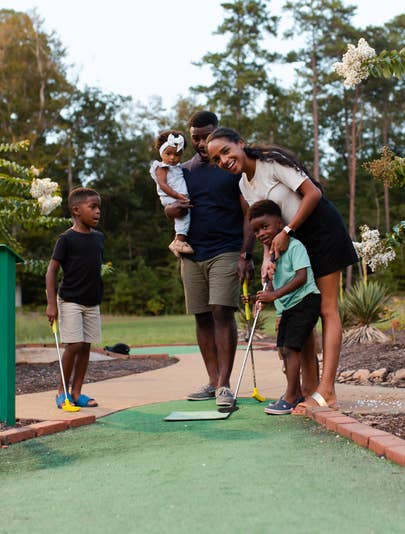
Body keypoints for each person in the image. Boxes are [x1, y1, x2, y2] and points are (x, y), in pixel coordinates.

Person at [207, 127, 358, 412]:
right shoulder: (243, 185)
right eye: (216, 159)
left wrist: (287, 230)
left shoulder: (271, 162)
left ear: (240, 143)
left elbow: (313, 193)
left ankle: (328, 392)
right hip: (293, 242)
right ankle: (309, 389)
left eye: (226, 151)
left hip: (321, 231)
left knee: (327, 309)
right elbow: (267, 222)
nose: (224, 160)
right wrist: (266, 257)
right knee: (304, 309)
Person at [165, 111, 254, 407]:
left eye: (206, 136)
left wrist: (246, 253)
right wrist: (171, 211)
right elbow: (170, 205)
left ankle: (226, 385)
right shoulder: (183, 171)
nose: (202, 143)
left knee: (221, 311)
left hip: (226, 250)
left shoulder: (230, 169)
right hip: (191, 254)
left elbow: (248, 212)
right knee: (202, 315)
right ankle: (213, 380)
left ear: (217, 134)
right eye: (196, 138)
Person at [248, 200, 321, 414]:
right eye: (255, 231)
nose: (260, 233)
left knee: (291, 348)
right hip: (289, 306)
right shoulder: (272, 256)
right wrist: (261, 296)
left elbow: (301, 277)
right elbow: (272, 285)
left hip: (306, 300)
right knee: (283, 349)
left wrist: (274, 295)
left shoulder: (295, 246)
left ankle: (291, 396)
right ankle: (294, 392)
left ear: (280, 224)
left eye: (265, 227)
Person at [45, 187, 104, 409]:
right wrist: (52, 304)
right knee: (74, 344)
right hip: (70, 300)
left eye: (99, 207)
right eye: (93, 207)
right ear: (76, 210)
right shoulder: (66, 239)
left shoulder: (99, 238)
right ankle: (61, 392)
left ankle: (77, 391)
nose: (98, 212)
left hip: (92, 301)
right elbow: (51, 271)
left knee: (86, 345)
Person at [150, 130, 194, 257]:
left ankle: (175, 242)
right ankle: (180, 242)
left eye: (177, 154)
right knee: (184, 216)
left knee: (182, 217)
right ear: (161, 152)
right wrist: (177, 195)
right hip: (171, 197)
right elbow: (163, 184)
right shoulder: (161, 167)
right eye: (168, 153)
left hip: (177, 196)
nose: (172, 158)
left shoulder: (178, 167)